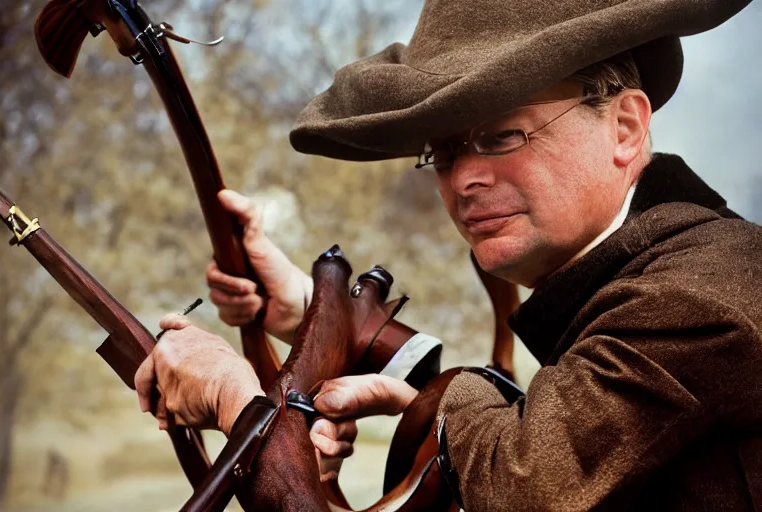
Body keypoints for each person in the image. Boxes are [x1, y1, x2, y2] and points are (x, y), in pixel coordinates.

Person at [134, 0, 762, 509]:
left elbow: (523, 483)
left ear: (624, 128)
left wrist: (234, 398)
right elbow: (568, 414)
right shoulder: (662, 271)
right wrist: (312, 313)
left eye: (500, 136)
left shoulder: (692, 294)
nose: (463, 179)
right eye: (445, 151)